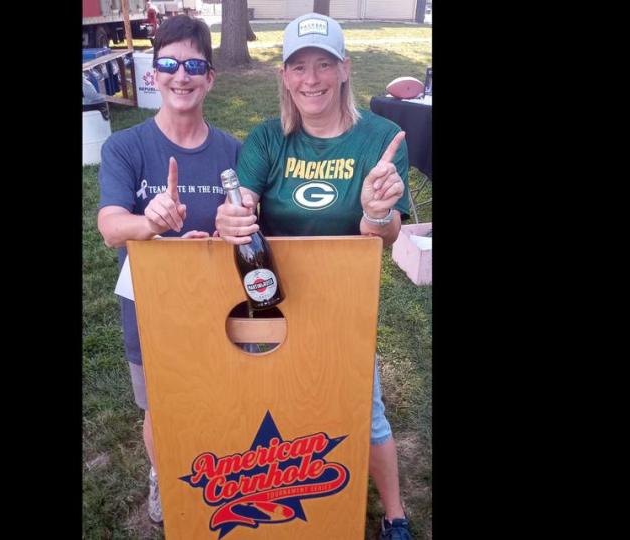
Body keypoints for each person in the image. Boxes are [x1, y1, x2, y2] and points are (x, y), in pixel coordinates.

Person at [214, 13, 414, 540]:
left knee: (365, 414)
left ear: (345, 68)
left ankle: (394, 514)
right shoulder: (266, 139)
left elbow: (388, 234)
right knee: (271, 402)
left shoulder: (383, 139)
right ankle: (281, 497)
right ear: (283, 75)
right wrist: (231, 216)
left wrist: (374, 212)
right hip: (272, 303)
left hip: (345, 305)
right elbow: (244, 204)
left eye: (324, 64)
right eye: (299, 66)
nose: (311, 79)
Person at [96, 14, 241, 526]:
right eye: (169, 63)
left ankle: (223, 469)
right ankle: (163, 474)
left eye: (194, 64)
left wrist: (227, 231)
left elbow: (248, 225)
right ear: (153, 72)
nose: (182, 75)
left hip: (221, 303)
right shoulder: (125, 147)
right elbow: (110, 227)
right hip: (151, 308)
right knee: (159, 406)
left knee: (224, 394)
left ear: (210, 77)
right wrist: (148, 220)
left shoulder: (232, 151)